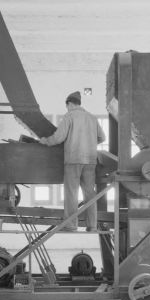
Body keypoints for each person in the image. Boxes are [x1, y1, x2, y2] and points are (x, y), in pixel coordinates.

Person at [39, 91, 105, 232]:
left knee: (71, 192)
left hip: (73, 160)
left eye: (67, 106)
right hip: (90, 161)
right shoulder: (92, 118)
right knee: (89, 193)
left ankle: (71, 225)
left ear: (69, 103)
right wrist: (90, 143)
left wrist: (46, 141)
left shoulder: (69, 116)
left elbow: (59, 137)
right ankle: (92, 225)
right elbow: (102, 137)